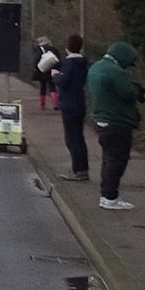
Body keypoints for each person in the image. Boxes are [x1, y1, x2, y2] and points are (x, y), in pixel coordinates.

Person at [87, 40, 145, 209]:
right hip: (117, 122)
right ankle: (110, 196)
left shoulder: (96, 67)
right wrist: (136, 90)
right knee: (117, 160)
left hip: (101, 119)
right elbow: (127, 94)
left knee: (108, 158)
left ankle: (107, 194)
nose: (129, 66)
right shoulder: (115, 72)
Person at [52, 34, 91, 181]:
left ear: (67, 47)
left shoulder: (69, 64)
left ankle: (77, 170)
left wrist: (55, 75)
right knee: (79, 137)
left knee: (71, 139)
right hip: (79, 102)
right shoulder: (82, 62)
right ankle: (83, 168)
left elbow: (63, 81)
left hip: (68, 103)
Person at [34, 38, 59, 109]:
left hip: (42, 71)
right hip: (51, 70)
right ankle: (55, 104)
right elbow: (58, 59)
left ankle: (42, 104)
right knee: (52, 86)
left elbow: (36, 60)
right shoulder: (54, 49)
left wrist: (36, 68)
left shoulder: (38, 50)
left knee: (43, 87)